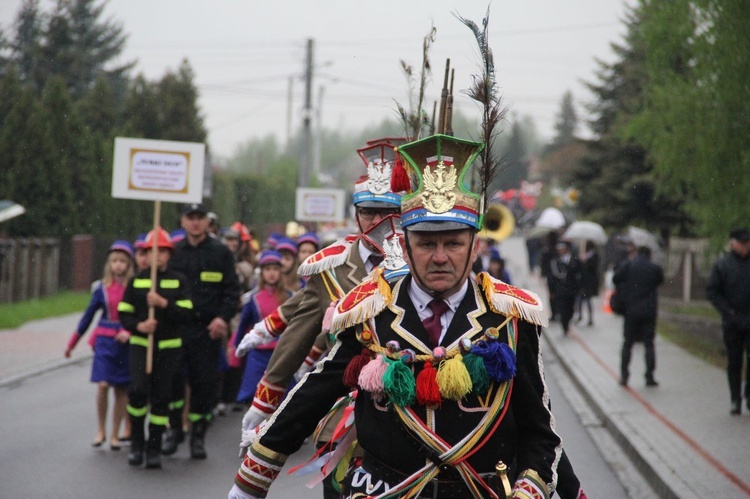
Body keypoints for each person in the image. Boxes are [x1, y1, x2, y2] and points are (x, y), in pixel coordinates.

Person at [229, 134, 562, 499]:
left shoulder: (509, 318)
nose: (439, 257)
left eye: (453, 243)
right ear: (404, 245)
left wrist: (530, 487)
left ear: (475, 246)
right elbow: (314, 393)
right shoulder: (371, 311)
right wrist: (252, 480)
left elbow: (538, 429)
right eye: (426, 244)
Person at [235, 138, 406, 497]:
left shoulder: (414, 265)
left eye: (386, 213)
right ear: (355, 214)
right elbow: (299, 334)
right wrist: (264, 401)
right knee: (337, 488)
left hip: (401, 409)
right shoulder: (329, 266)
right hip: (338, 400)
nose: (376, 221)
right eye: (368, 212)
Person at [165, 202, 241, 459]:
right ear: (183, 221)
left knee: (204, 385)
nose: (195, 222)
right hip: (177, 329)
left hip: (207, 331)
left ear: (207, 222)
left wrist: (222, 319)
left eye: (200, 217)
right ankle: (175, 429)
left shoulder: (220, 252)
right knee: (173, 381)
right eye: (190, 217)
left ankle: (198, 435)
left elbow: (232, 293)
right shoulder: (174, 252)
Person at [117, 228, 194, 469]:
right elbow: (124, 312)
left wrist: (164, 304)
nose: (157, 256)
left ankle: (154, 448)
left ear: (169, 255)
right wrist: (139, 326)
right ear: (145, 255)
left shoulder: (178, 280)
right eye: (152, 251)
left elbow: (188, 313)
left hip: (169, 349)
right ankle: (137, 444)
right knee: (138, 392)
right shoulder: (136, 280)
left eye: (162, 251)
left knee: (162, 398)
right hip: (141, 347)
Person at [65, 240, 135, 450]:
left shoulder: (133, 288)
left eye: (122, 261)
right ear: (108, 264)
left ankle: (115, 433)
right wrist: (72, 344)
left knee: (121, 389)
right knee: (103, 385)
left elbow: (139, 314)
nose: (118, 265)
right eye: (114, 261)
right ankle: (101, 429)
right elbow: (87, 318)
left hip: (124, 343)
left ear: (129, 264)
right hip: (104, 342)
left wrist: (129, 331)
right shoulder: (101, 289)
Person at [234, 250, 292, 404]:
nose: (271, 273)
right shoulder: (253, 298)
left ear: (280, 272)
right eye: (267, 269)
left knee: (283, 396)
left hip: (282, 353)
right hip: (257, 353)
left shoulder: (290, 297)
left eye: (275, 269)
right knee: (252, 394)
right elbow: (243, 325)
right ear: (261, 273)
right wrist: (236, 348)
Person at [707, 227, 750, 415]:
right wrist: (726, 310)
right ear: (732, 243)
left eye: (747, 242)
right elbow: (713, 291)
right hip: (732, 321)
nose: (745, 246)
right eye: (742, 243)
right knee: (734, 361)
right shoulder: (723, 265)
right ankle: (735, 398)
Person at [613, 245, 664, 387]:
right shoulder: (654, 268)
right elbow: (660, 281)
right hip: (649, 311)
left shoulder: (629, 265)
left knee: (627, 343)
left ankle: (624, 376)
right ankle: (649, 376)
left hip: (631, 311)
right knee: (649, 344)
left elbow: (616, 278)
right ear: (649, 255)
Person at [547, 240, 582, 335]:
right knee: (563, 309)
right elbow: (552, 277)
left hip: (572, 289)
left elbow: (579, 273)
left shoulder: (574, 259)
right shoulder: (555, 261)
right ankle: (564, 325)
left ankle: (568, 320)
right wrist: (551, 290)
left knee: (571, 308)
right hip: (560, 290)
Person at [576, 240, 600, 326]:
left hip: (589, 282)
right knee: (580, 300)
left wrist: (585, 261)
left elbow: (592, 267)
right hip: (583, 281)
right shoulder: (585, 255)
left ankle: (590, 318)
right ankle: (580, 316)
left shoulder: (594, 256)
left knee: (588, 300)